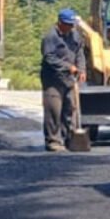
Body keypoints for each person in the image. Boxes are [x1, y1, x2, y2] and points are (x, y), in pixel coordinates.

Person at [41, 8, 86, 152]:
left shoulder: (75, 35)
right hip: (53, 80)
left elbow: (80, 53)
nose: (70, 27)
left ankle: (70, 139)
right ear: (60, 22)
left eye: (72, 24)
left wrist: (81, 69)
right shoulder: (50, 37)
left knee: (70, 108)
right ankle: (53, 141)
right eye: (67, 24)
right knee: (54, 109)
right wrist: (68, 66)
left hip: (69, 79)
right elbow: (49, 58)